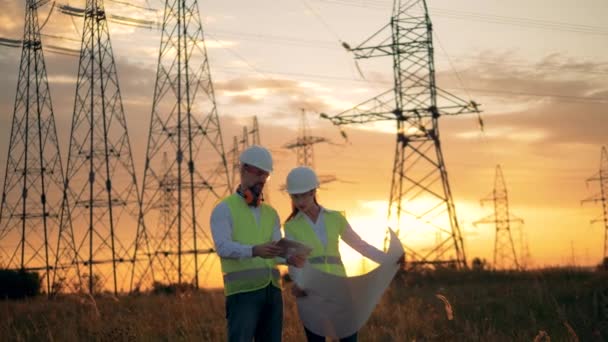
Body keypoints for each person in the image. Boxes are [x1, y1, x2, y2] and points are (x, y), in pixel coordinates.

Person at [284, 166, 405, 342]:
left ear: (313, 191)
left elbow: (361, 246)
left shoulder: (335, 218)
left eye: (304, 195)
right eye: (295, 196)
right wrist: (299, 284)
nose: (300, 201)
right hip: (311, 291)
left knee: (348, 338)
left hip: (339, 288)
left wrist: (389, 259)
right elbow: (294, 262)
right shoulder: (291, 226)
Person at [211, 145, 300, 342]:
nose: (262, 179)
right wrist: (254, 251)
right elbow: (222, 247)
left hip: (273, 293)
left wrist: (290, 257)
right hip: (243, 293)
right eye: (258, 173)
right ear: (243, 169)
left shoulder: (271, 213)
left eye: (266, 175)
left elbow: (276, 250)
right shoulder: (224, 210)